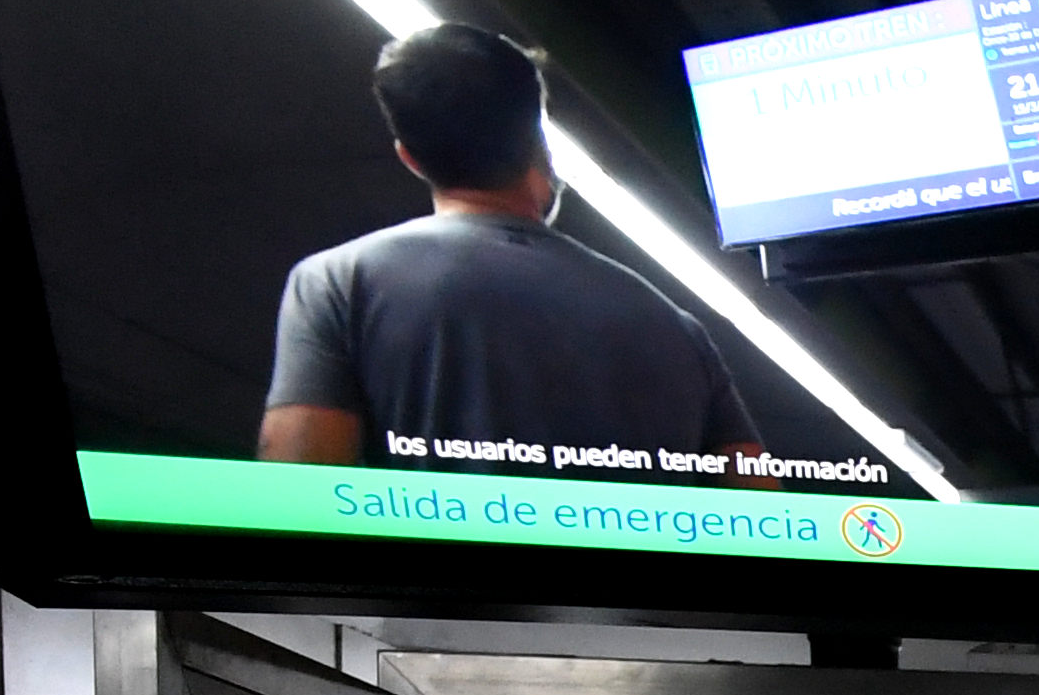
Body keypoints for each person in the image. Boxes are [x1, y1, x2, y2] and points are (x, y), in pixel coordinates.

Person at [258, 24, 766, 476]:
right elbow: (759, 512)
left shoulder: (340, 283)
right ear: (537, 132)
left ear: (410, 158)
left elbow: (302, 494)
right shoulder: (676, 326)